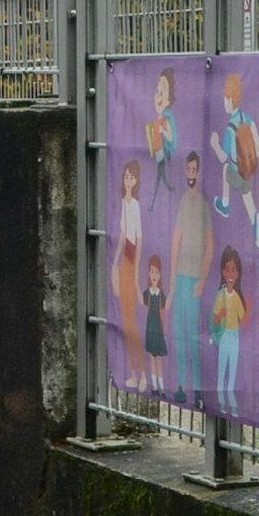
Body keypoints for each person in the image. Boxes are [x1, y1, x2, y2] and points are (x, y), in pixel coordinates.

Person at [170, 152, 215, 405]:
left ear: (199, 173)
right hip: (181, 278)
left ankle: (198, 389)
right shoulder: (183, 203)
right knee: (178, 334)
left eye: (194, 169)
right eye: (187, 169)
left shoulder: (203, 206)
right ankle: (180, 385)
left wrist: (202, 280)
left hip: (195, 281)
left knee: (192, 334)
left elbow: (210, 244)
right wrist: (173, 277)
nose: (190, 173)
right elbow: (176, 239)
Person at [210, 73, 259, 249]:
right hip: (247, 170)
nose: (224, 102)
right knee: (248, 199)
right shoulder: (247, 119)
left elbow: (222, 157)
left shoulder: (230, 128)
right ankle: (256, 221)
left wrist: (215, 144)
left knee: (225, 169)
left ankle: (225, 203)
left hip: (235, 171)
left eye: (225, 98)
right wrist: (249, 157)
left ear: (231, 99)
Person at [114, 161, 146, 390]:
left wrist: (135, 276)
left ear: (136, 182)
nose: (128, 180)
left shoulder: (135, 205)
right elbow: (122, 235)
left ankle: (142, 373)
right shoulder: (122, 204)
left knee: (132, 323)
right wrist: (115, 262)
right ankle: (134, 373)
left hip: (132, 261)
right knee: (125, 322)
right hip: (124, 261)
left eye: (131, 178)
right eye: (126, 177)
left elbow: (138, 238)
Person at [210, 246, 249, 417]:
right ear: (223, 272)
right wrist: (221, 315)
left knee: (232, 374)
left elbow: (243, 317)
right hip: (225, 336)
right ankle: (221, 403)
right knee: (222, 372)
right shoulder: (221, 295)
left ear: (238, 273)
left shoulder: (237, 297)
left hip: (235, 336)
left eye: (234, 269)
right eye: (228, 269)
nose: (231, 273)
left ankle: (233, 405)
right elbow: (215, 320)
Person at [146, 68, 178, 211]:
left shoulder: (166, 118)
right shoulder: (158, 119)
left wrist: (163, 131)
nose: (158, 98)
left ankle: (154, 203)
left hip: (163, 156)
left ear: (168, 100)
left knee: (160, 180)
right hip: (158, 155)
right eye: (157, 93)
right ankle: (169, 191)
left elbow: (171, 137)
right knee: (161, 179)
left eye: (162, 94)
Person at [142, 254, 169, 395]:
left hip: (158, 328)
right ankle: (155, 387)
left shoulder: (160, 294)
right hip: (150, 328)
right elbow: (142, 303)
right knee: (152, 359)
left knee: (158, 359)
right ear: (148, 273)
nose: (154, 275)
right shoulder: (147, 293)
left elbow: (164, 310)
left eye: (157, 272)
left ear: (160, 275)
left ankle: (162, 387)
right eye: (152, 271)